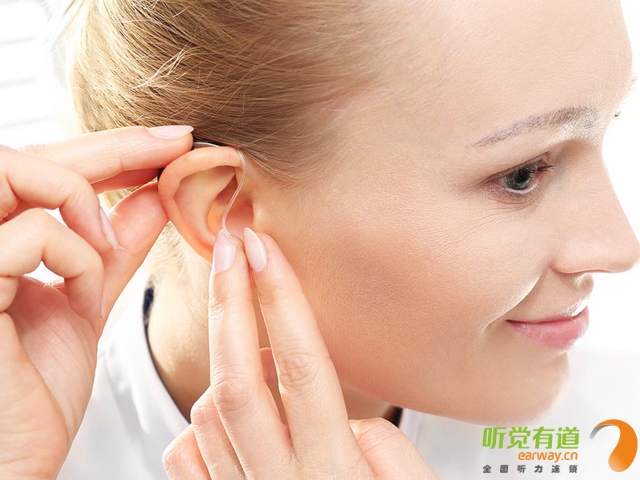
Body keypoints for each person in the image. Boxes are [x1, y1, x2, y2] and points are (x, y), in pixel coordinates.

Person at [1, 0, 639, 478]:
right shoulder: (29, 444)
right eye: (523, 175)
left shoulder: (614, 429)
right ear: (228, 207)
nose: (620, 246)